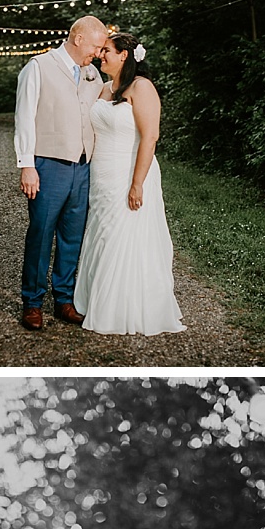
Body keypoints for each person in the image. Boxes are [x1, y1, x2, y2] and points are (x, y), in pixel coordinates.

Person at [73, 29, 186, 335]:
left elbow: (150, 137)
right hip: (102, 174)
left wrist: (137, 183)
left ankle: (123, 307)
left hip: (130, 171)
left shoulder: (142, 87)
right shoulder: (105, 88)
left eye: (107, 50)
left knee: (126, 236)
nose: (101, 55)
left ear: (124, 55)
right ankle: (94, 298)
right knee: (102, 232)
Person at [14, 15, 108, 332]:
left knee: (72, 237)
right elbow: (24, 117)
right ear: (78, 38)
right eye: (96, 45)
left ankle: (64, 300)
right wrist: (27, 165)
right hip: (48, 164)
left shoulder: (92, 73)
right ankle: (33, 303)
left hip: (83, 166)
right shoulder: (38, 67)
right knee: (41, 234)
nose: (98, 52)